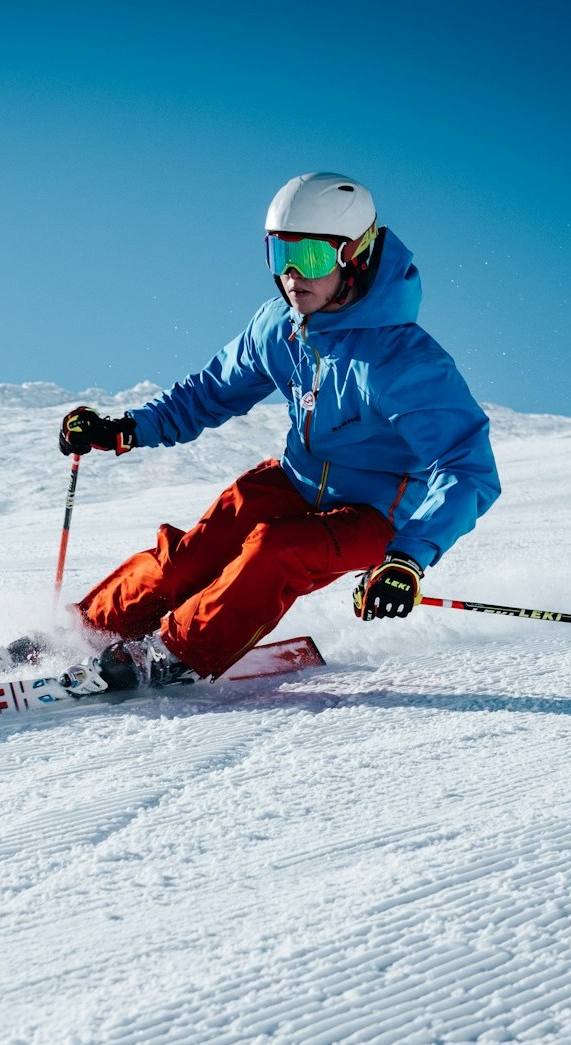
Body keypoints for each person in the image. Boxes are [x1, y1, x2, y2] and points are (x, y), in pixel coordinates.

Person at [56, 172, 501, 692]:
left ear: (354, 255)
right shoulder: (279, 326)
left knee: (276, 550)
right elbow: (208, 392)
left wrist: (409, 557)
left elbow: (466, 469)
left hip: (376, 514)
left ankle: (171, 654)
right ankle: (81, 632)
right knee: (192, 557)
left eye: (310, 257)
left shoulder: (403, 362)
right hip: (294, 480)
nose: (291, 275)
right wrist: (124, 428)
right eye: (279, 254)